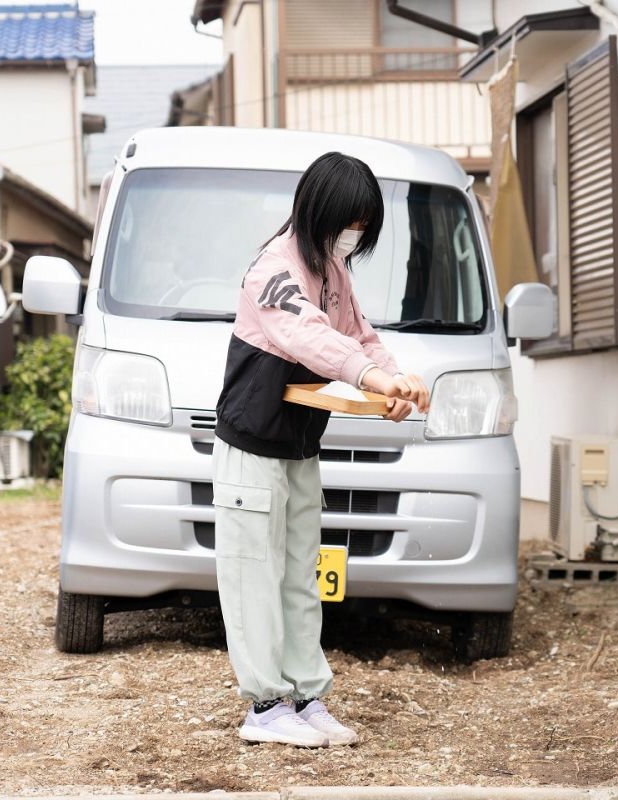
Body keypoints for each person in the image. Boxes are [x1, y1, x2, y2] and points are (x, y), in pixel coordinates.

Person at [213, 152, 430, 747]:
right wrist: (372, 378)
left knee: (300, 576)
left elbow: (360, 337)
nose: (353, 234)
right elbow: (312, 339)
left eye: (362, 224)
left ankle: (306, 696)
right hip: (252, 448)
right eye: (348, 221)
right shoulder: (275, 270)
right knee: (254, 576)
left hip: (298, 448)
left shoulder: (333, 270)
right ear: (318, 210)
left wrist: (398, 378)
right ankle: (263, 706)